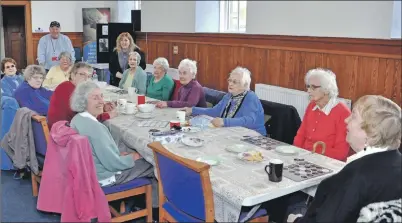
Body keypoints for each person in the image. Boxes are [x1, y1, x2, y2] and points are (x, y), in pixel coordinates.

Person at [288, 95, 401, 223]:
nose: (346, 120)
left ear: (370, 133)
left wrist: (295, 220)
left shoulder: (355, 176)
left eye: (353, 116)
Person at [69, 81, 158, 207]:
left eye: (101, 96)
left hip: (89, 172)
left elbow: (100, 153)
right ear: (83, 101)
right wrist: (132, 157)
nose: (101, 101)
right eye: (95, 98)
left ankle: (139, 200)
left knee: (130, 152)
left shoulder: (77, 119)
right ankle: (153, 209)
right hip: (104, 177)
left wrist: (118, 154)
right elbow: (113, 164)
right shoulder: (95, 128)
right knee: (154, 164)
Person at [183, 67, 266, 136]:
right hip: (234, 133)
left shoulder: (251, 97)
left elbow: (249, 120)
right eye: (230, 80)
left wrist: (224, 122)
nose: (230, 84)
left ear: (245, 85)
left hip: (253, 138)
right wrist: (192, 110)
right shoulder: (228, 96)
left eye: (235, 82)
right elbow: (214, 111)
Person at [293, 68, 351, 161]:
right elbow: (301, 135)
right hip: (305, 157)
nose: (308, 91)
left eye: (313, 87)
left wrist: (313, 151)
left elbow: (341, 153)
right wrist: (296, 154)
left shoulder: (342, 112)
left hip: (327, 162)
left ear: (327, 90)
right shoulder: (312, 106)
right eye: (308, 86)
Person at [47, 62, 116, 130]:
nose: (86, 79)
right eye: (82, 74)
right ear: (73, 75)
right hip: (62, 134)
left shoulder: (73, 88)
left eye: (89, 76)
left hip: (64, 130)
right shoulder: (67, 88)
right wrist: (107, 115)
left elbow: (84, 109)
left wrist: (102, 108)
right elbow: (83, 117)